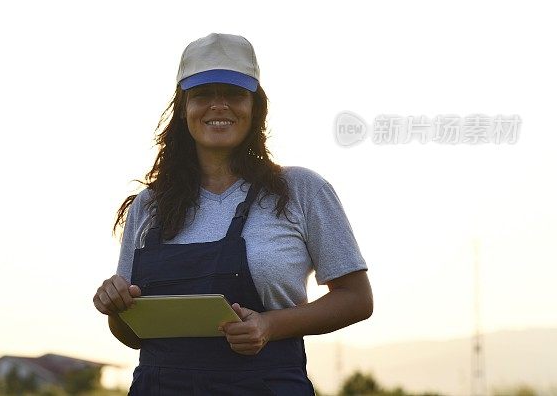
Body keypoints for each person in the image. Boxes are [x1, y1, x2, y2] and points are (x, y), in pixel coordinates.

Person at [93, 33, 373, 395]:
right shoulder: (150, 206)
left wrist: (269, 325)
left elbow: (356, 298)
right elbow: (132, 336)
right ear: (183, 108)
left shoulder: (302, 190)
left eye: (235, 94)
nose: (219, 106)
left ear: (256, 107)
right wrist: (115, 308)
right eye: (204, 95)